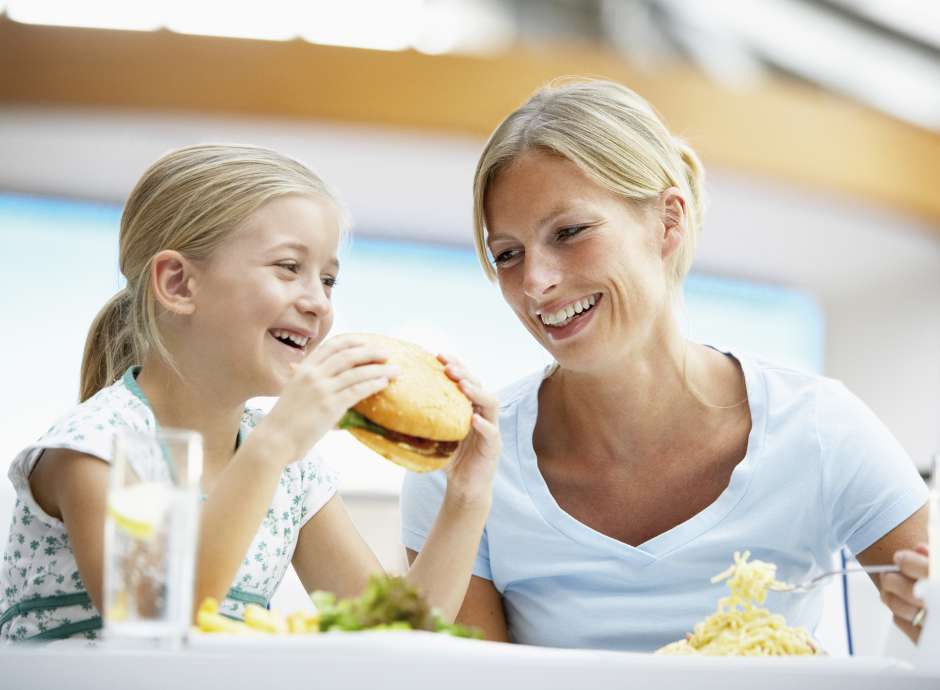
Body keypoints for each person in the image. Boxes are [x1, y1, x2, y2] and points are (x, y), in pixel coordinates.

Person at [401, 79, 929, 652]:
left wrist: (926, 615)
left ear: (668, 222)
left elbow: (930, 614)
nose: (535, 282)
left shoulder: (820, 425)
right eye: (508, 254)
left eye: (569, 232)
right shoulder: (466, 465)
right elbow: (464, 681)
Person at [0, 144, 499, 642]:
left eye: (328, 280)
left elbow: (392, 637)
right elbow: (155, 621)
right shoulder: (101, 447)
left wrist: (467, 495)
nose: (318, 304)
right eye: (288, 267)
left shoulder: (292, 473)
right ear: (178, 283)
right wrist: (275, 445)